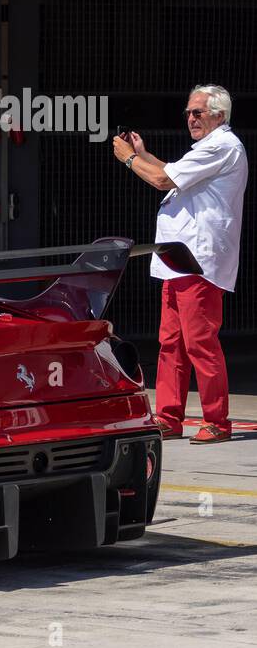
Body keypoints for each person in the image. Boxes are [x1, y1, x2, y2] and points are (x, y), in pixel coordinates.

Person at [113, 84, 248, 444]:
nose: (190, 118)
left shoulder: (222, 146)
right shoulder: (209, 148)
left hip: (198, 260)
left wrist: (129, 158)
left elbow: (162, 180)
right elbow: (171, 170)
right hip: (178, 259)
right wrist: (143, 153)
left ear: (219, 115)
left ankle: (217, 421)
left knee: (200, 342)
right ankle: (169, 416)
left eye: (198, 112)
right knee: (171, 342)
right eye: (188, 112)